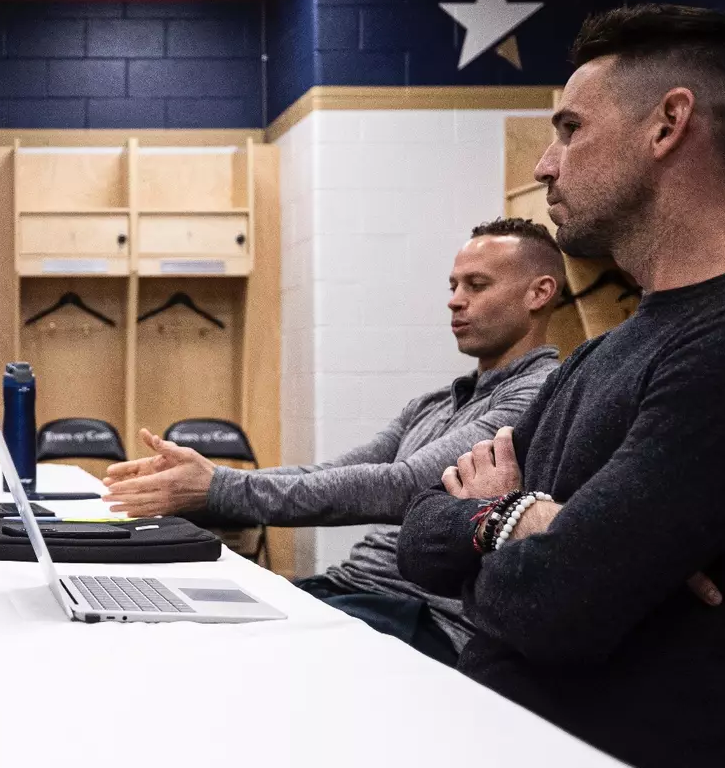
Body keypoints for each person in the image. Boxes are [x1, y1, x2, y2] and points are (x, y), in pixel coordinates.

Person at [396, 5, 725, 768]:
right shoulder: (605, 351)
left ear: (669, 124)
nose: (547, 165)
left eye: (570, 129)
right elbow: (421, 537)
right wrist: (532, 521)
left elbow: (560, 604)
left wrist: (503, 527)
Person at [101, 219, 564, 664]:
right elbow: (328, 474)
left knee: (217, 655)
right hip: (352, 588)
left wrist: (218, 487)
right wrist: (199, 481)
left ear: (538, 293)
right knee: (164, 628)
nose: (455, 301)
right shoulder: (434, 403)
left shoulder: (541, 394)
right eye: (453, 286)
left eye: (476, 286)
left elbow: (406, 487)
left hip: (421, 618)